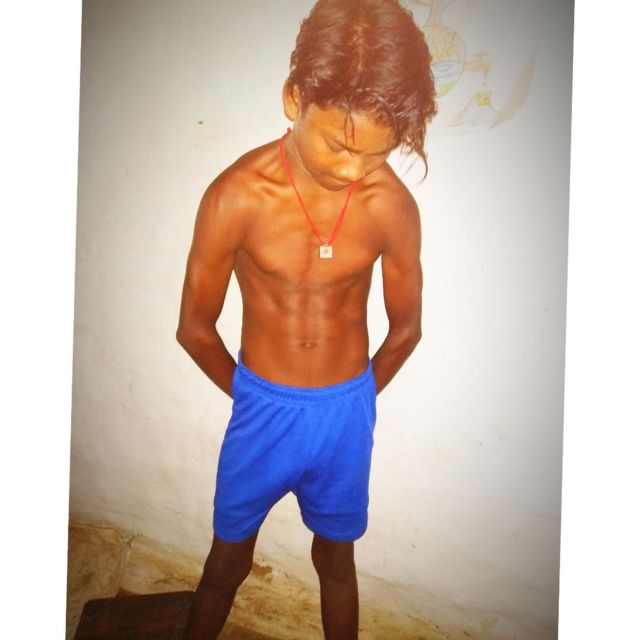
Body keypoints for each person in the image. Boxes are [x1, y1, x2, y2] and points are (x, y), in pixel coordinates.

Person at [176, 0, 437, 637]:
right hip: (261, 411)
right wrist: (256, 396)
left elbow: (406, 330)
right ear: (295, 98)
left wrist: (353, 400)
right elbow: (193, 328)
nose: (353, 170)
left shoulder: (390, 207)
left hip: (346, 415)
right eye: (341, 145)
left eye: (376, 155)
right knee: (227, 561)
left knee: (336, 561)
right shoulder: (236, 197)